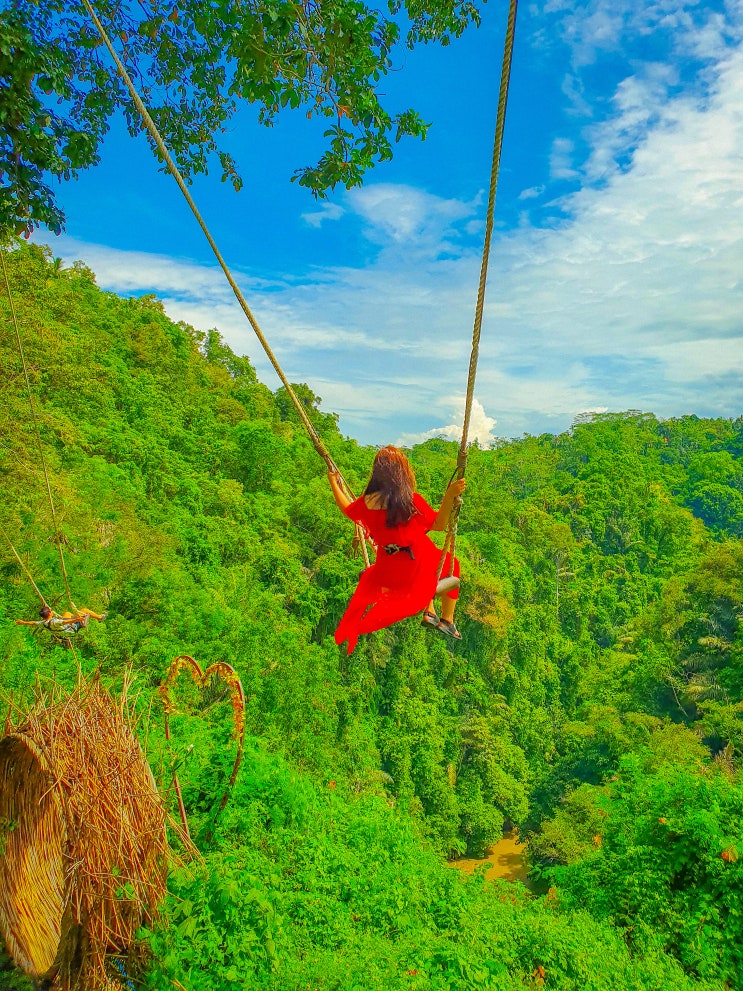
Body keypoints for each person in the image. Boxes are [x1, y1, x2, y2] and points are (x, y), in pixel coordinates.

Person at [328, 446, 465, 654]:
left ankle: (430, 610)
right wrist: (450, 496)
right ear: (402, 473)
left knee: (429, 554)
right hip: (412, 567)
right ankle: (447, 619)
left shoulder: (367, 502)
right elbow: (438, 524)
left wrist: (334, 483)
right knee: (450, 565)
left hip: (387, 567)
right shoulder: (409, 501)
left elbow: (347, 509)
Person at [16, 604, 107, 647]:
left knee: (67, 613)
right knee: (85, 610)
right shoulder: (55, 622)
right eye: (50, 611)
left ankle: (65, 639)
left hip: (64, 632)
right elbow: (64, 622)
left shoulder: (43, 623)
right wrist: (77, 619)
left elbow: (32, 623)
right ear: (50, 614)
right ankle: (99, 617)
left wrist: (23, 622)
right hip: (72, 628)